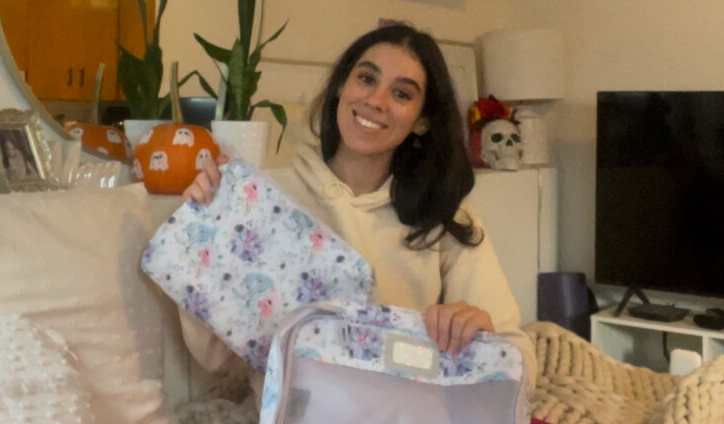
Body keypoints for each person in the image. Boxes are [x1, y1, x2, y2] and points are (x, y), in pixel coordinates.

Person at [181, 24, 536, 395]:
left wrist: (481, 337)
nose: (376, 100)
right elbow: (217, 357)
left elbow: (520, 364)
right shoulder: (270, 198)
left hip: (412, 414)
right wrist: (202, 237)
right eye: (367, 78)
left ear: (422, 121)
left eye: (401, 93)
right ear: (341, 86)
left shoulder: (446, 216)